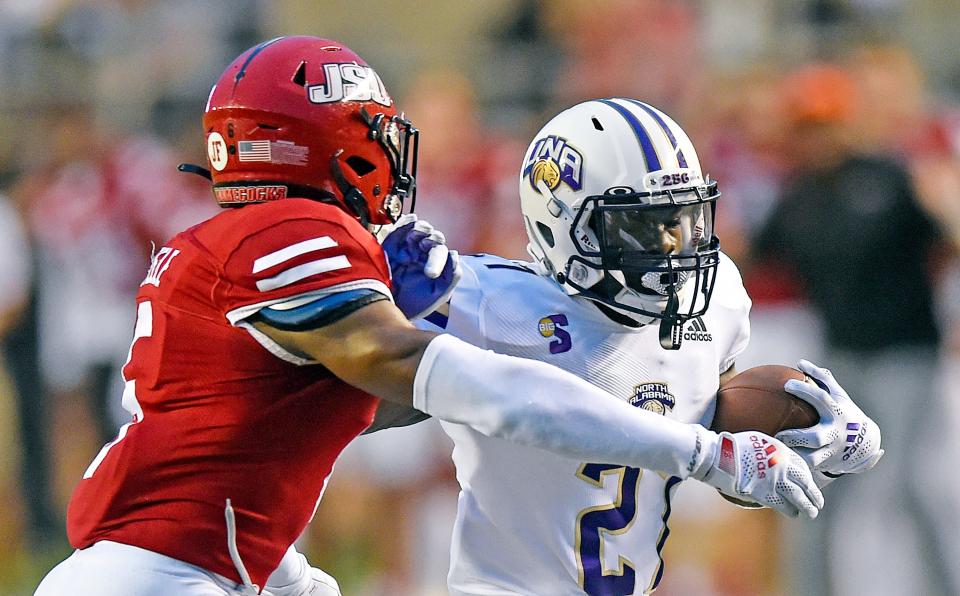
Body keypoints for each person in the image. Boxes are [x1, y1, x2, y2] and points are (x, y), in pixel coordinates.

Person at [36, 37, 825, 596]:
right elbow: (456, 384)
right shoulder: (291, 230)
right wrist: (700, 451)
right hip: (162, 577)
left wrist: (280, 573)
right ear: (317, 142)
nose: (389, 152)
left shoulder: (235, 238)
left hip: (180, 568)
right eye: (371, 132)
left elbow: (251, 441)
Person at [410, 98, 884, 595]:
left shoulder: (717, 298)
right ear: (563, 225)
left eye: (680, 218)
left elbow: (719, 453)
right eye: (638, 226)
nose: (669, 246)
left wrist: (814, 446)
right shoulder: (488, 302)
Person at [753, 63, 954, 596]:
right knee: (814, 486)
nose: (815, 136)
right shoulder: (795, 200)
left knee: (909, 486)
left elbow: (944, 238)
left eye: (823, 123)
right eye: (805, 125)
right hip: (841, 358)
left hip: (906, 354)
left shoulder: (888, 176)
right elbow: (749, 261)